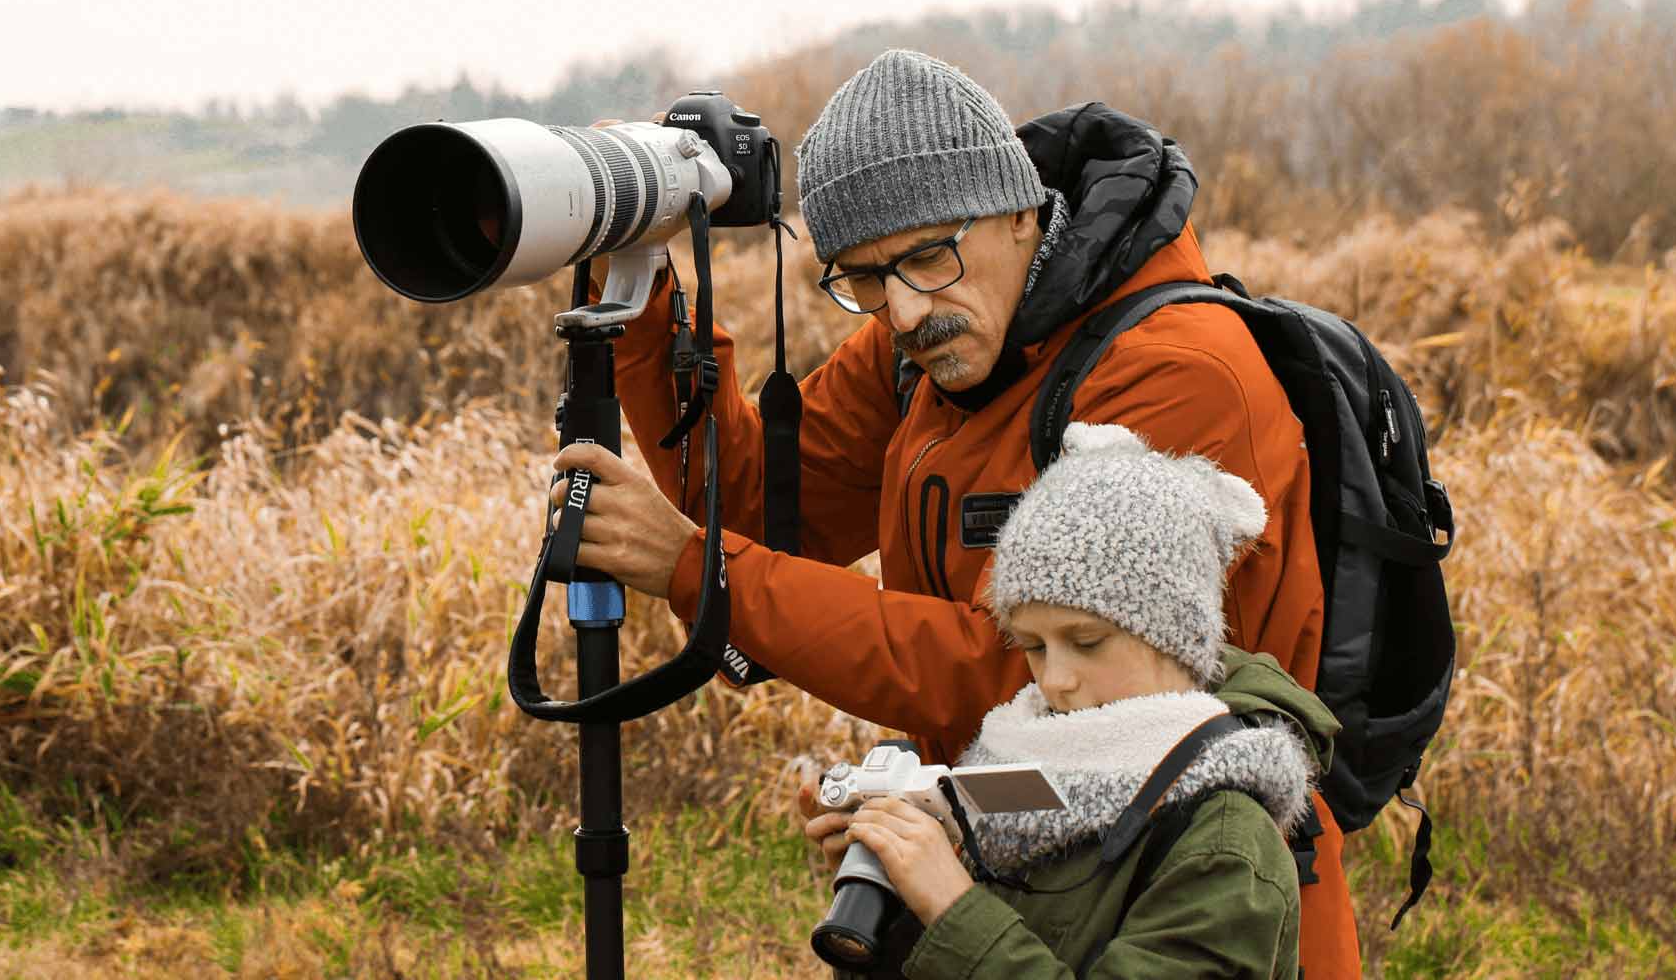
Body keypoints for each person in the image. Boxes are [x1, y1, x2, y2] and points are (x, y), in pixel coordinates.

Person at [551, 48, 1360, 975]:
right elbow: (773, 519)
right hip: (1023, 889)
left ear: (1021, 211)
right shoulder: (923, 341)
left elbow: (1033, 673)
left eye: (929, 257)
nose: (898, 310)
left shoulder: (1178, 374)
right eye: (859, 278)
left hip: (1190, 892)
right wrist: (645, 290)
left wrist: (700, 572)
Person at [805, 423, 1335, 978]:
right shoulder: (1013, 780)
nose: (1055, 680)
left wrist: (952, 907)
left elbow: (976, 935)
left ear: (1175, 635)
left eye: (1086, 642)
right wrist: (890, 905)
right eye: (1032, 646)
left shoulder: (1224, 844)